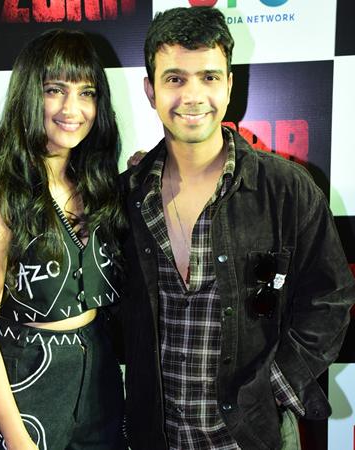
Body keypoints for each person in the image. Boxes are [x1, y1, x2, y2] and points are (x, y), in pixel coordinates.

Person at [120, 6, 355, 450]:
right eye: (175, 79)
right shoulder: (126, 196)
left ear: (229, 85)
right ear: (151, 90)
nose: (193, 96)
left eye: (208, 77)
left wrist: (272, 389)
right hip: (155, 437)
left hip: (254, 436)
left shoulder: (285, 189)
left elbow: (330, 299)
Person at [0, 28, 126, 450]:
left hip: (99, 380)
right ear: (30, 94)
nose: (72, 109)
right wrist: (17, 437)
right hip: (25, 383)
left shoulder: (97, 181)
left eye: (86, 93)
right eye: (55, 90)